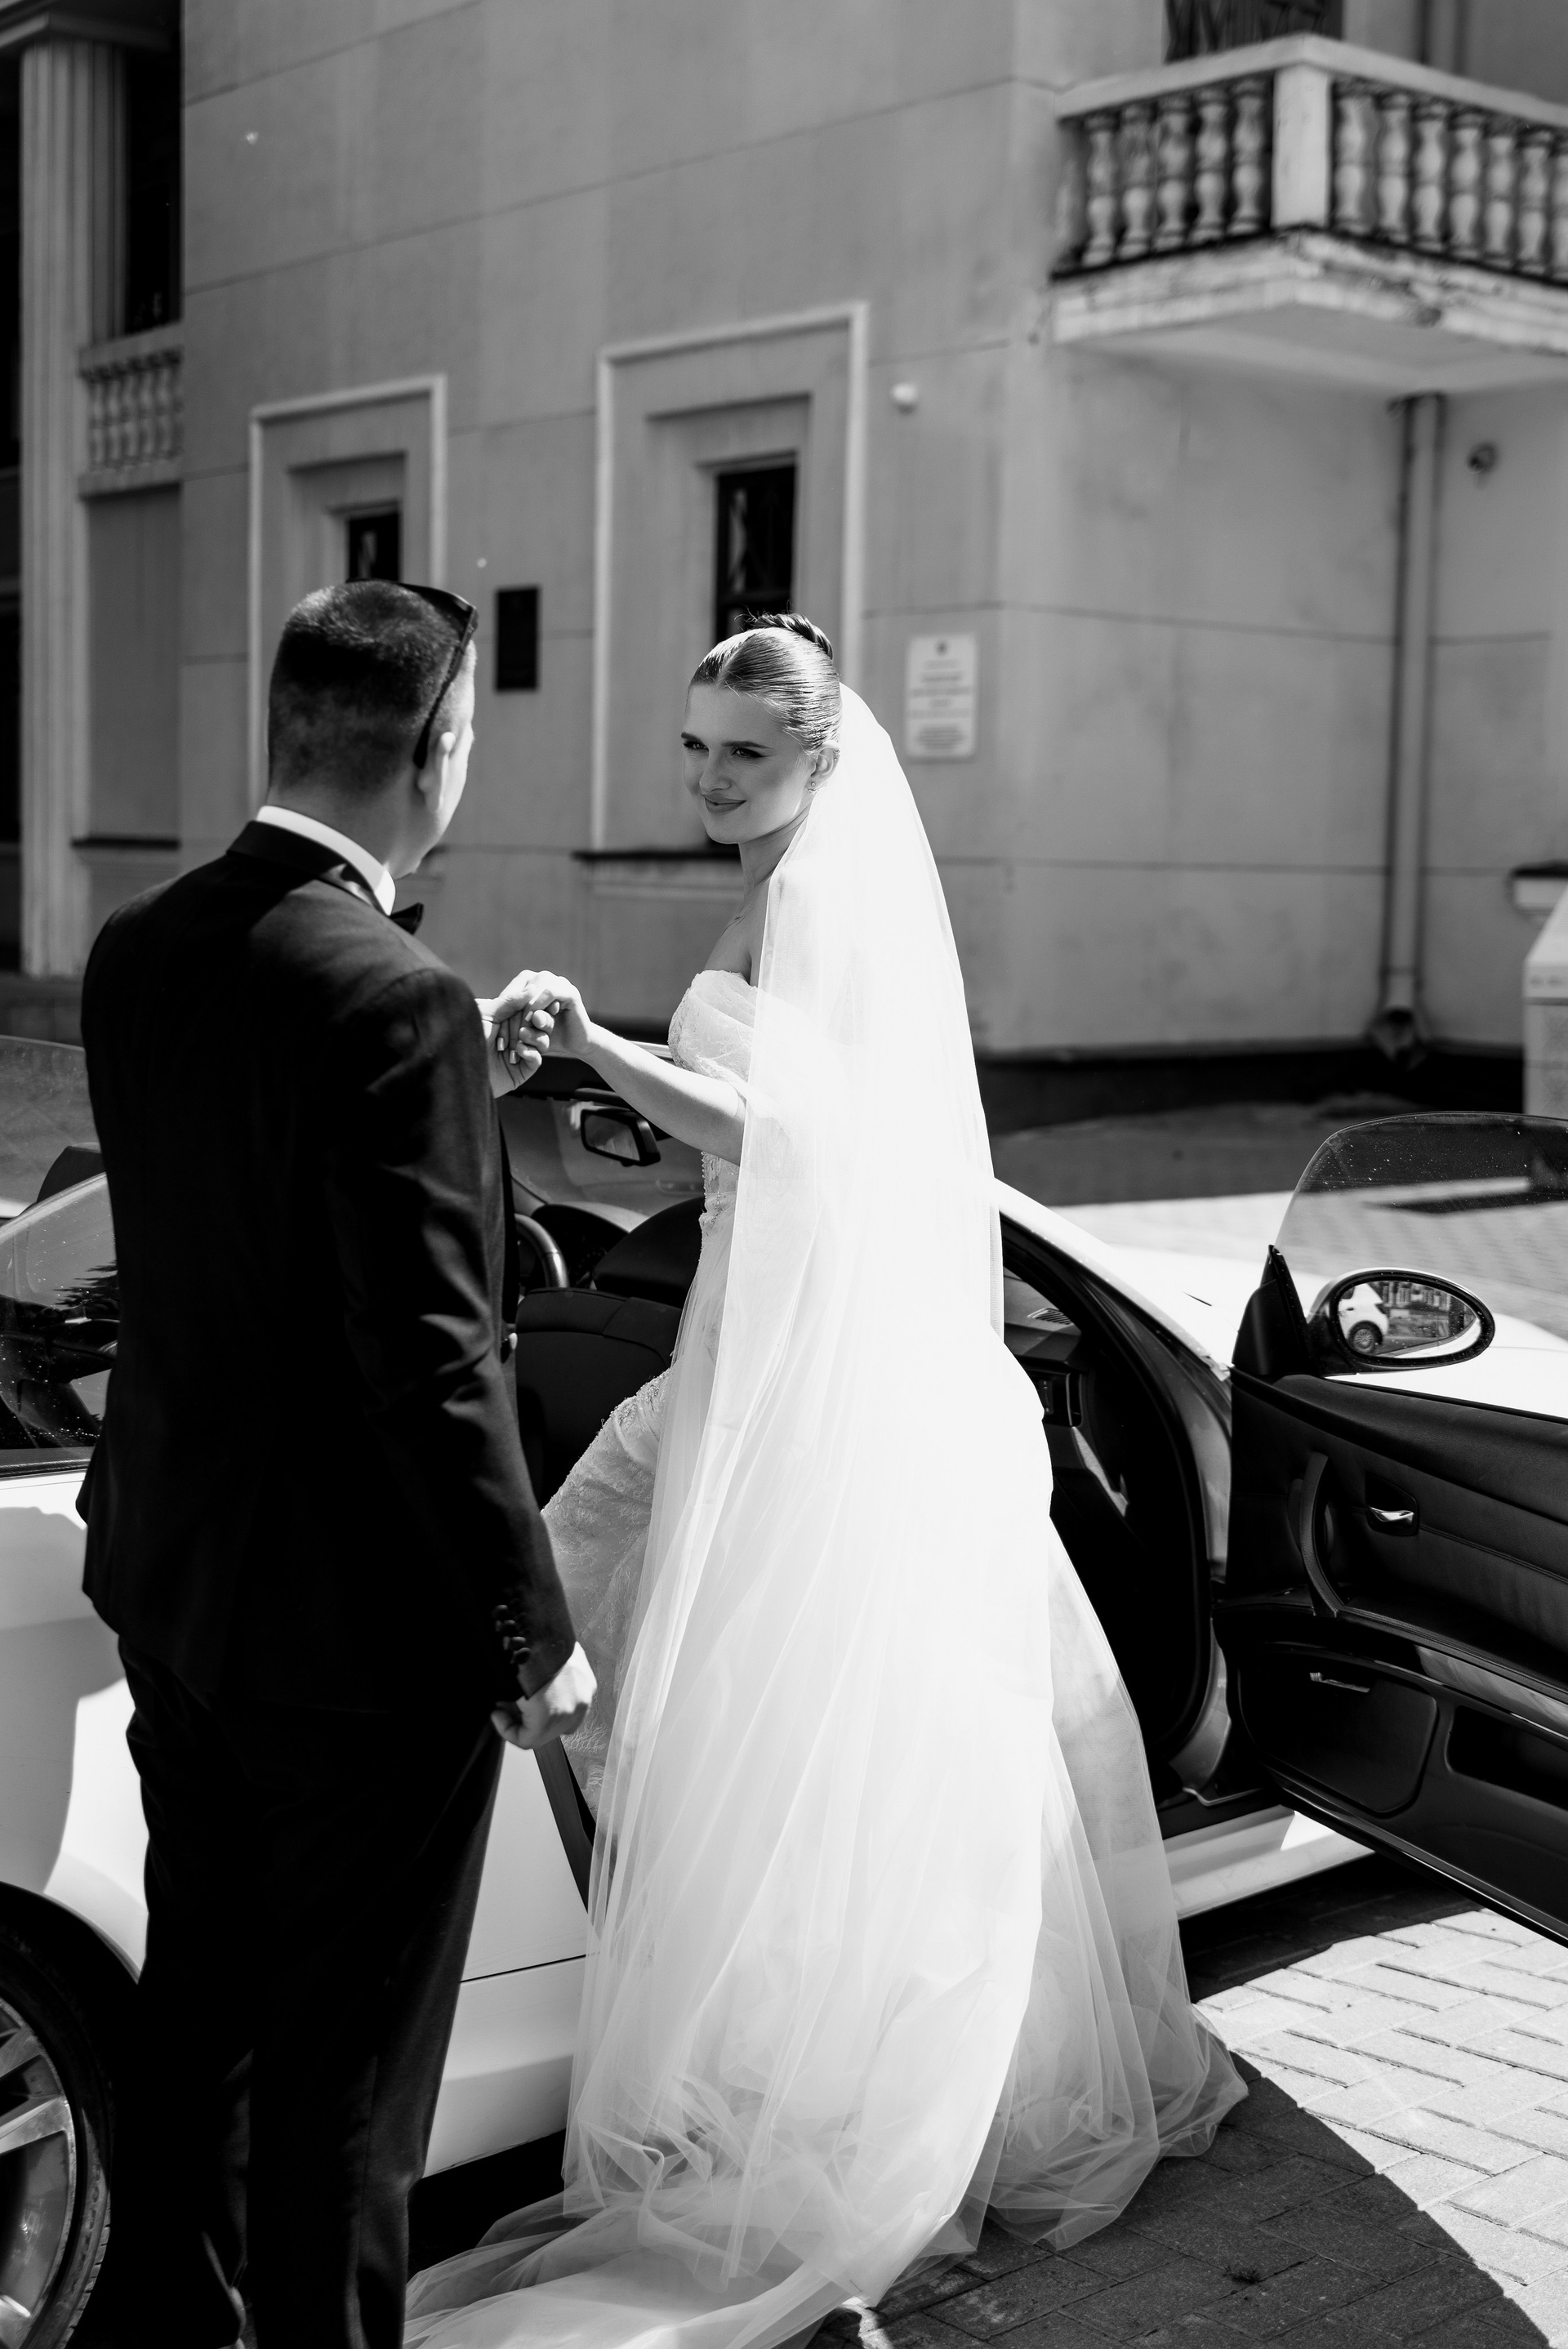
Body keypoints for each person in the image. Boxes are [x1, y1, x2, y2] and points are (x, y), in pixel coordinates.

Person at [404, 616, 1242, 2349]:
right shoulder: (790, 893)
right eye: (695, 747)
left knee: (776, 1721)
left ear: (821, 760)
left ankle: (811, 2076)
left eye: (746, 754)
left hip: (792, 1371)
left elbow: (777, 1134)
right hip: (752, 1339)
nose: (711, 779)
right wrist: (616, 1074)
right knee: (709, 1686)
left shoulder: (812, 906)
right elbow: (777, 1136)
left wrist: (596, 1048)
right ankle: (739, 2045)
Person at [79, 579, 595, 2349]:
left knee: (202, 2024)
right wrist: (532, 1633)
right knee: (350, 2096)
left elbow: (232, 1209)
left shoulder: (138, 945)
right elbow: (434, 1366)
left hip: (177, 1587)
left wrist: (458, 1087)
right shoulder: (396, 997)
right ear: (436, 748)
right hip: (359, 1652)